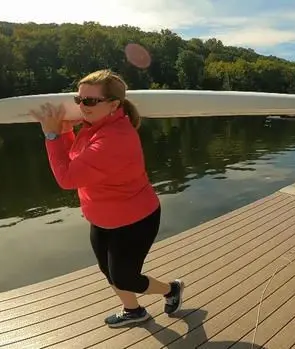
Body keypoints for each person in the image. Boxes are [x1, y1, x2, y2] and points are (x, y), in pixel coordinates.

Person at [29, 69, 184, 328]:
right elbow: (76, 163)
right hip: (101, 216)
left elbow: (67, 179)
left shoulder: (114, 138)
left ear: (114, 105)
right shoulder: (95, 127)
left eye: (90, 101)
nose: (82, 106)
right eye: (79, 100)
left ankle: (171, 289)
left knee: (124, 278)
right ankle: (133, 310)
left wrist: (53, 135)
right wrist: (66, 131)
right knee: (108, 270)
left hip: (134, 219)